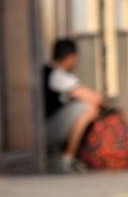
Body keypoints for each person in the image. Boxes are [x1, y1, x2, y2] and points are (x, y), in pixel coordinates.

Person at [44, 38, 104, 173]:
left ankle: (71, 155)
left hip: (44, 127)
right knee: (88, 108)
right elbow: (96, 98)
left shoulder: (50, 72)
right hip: (46, 131)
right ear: (71, 57)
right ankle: (68, 157)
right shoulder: (56, 75)